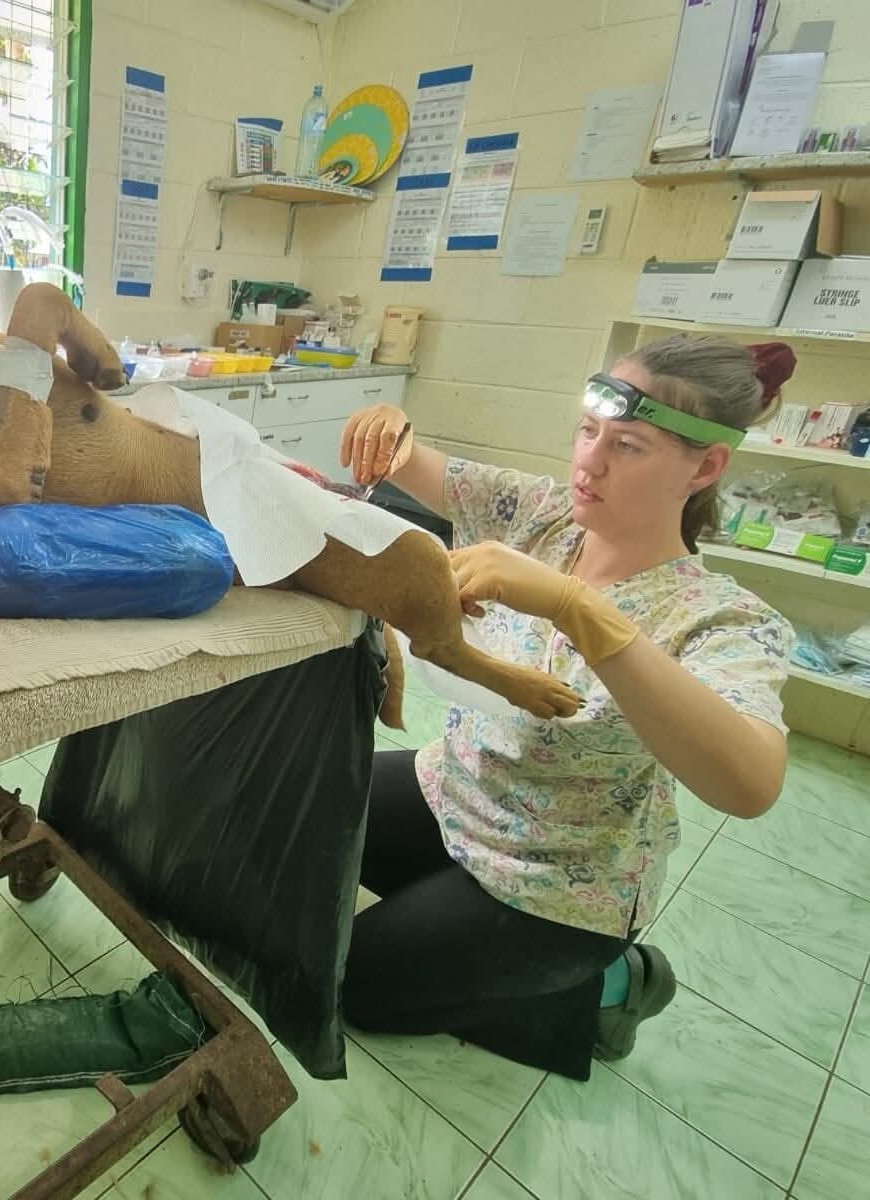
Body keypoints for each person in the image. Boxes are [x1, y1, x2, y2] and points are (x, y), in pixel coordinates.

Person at [334, 335, 797, 1079]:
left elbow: (750, 784)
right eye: (587, 432)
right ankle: (453, 922)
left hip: (564, 881)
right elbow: (410, 461)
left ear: (706, 467)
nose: (589, 463)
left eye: (628, 446)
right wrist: (389, 427)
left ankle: (612, 984)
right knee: (312, 815)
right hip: (458, 789)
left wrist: (579, 608)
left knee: (357, 987)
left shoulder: (720, 619)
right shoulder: (546, 515)